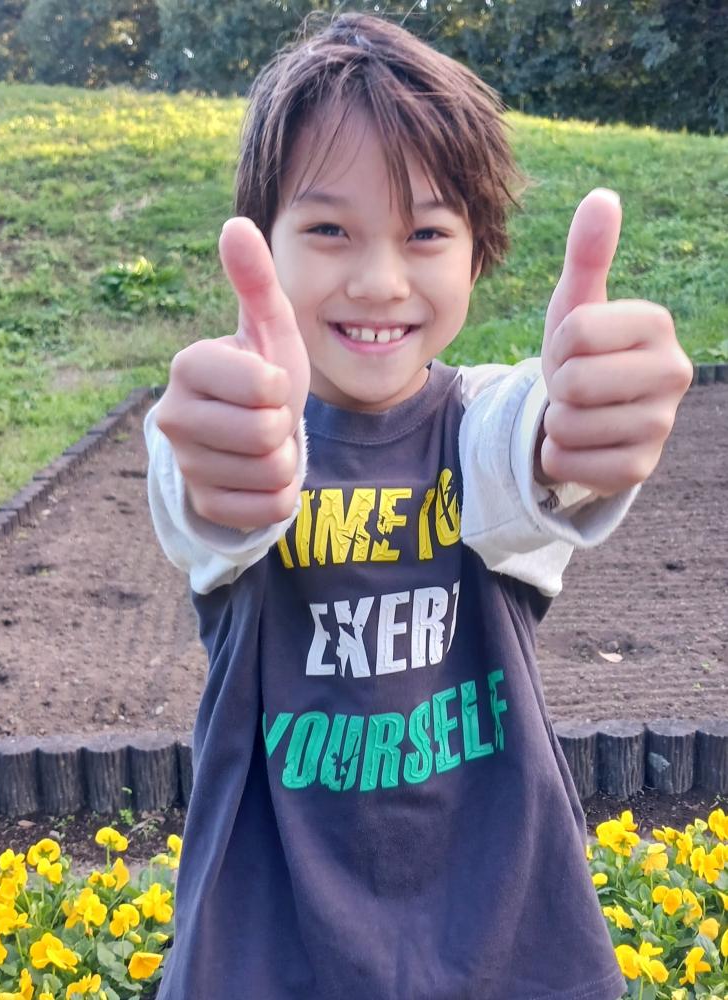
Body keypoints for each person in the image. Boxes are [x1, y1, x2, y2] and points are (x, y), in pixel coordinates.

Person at [144, 12, 692, 1000]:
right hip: (267, 953)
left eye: (427, 232)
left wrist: (573, 428)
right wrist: (222, 466)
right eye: (327, 229)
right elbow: (200, 499)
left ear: (476, 254)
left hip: (509, 947)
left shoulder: (483, 424)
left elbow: (522, 458)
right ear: (263, 246)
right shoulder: (240, 424)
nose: (378, 280)